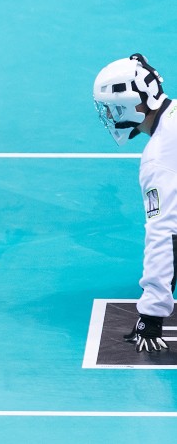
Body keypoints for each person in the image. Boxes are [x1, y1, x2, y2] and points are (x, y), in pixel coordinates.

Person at [93, 53, 176, 352]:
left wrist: (151, 313)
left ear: (134, 105)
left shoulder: (159, 156)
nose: (111, 115)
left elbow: (163, 234)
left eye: (113, 108)